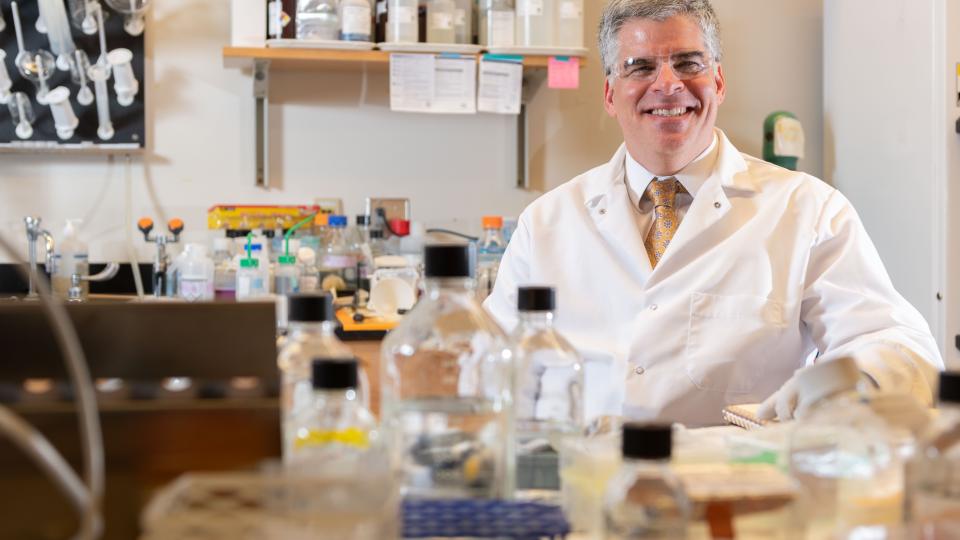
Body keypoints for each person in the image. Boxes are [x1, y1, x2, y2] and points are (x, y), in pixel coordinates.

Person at [483, 0, 944, 427]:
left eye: (688, 63)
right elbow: (488, 363)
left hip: (737, 493)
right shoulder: (547, 222)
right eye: (640, 66)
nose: (667, 84)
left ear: (718, 82)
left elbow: (901, 344)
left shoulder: (809, 210)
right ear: (609, 94)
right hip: (580, 485)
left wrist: (854, 377)